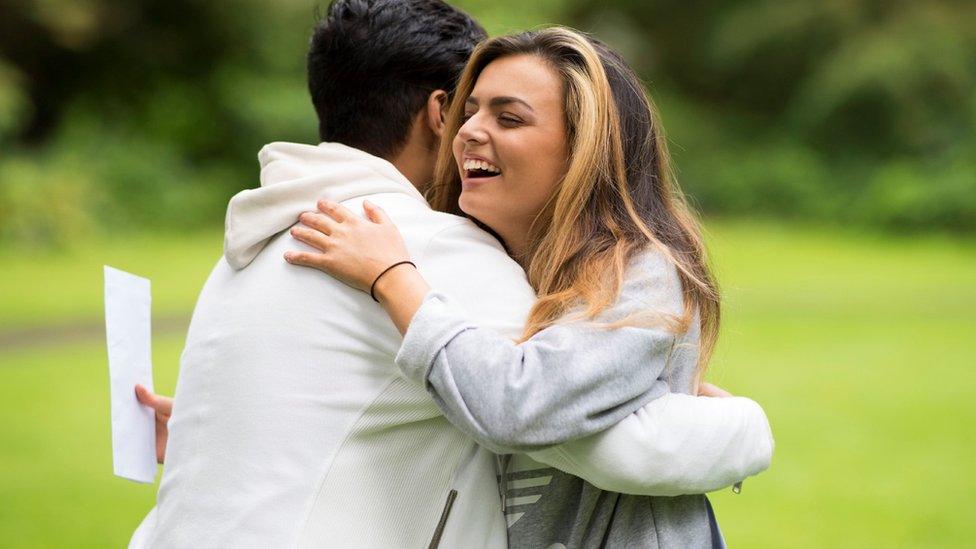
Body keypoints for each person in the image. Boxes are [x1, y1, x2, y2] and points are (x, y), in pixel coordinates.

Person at [131, 2, 772, 547]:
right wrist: (742, 428)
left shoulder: (265, 236)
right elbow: (598, 431)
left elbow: (565, 420)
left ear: (586, 145)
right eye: (470, 110)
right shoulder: (418, 246)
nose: (471, 131)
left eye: (508, 116)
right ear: (440, 113)